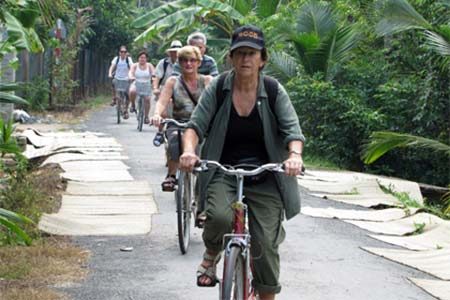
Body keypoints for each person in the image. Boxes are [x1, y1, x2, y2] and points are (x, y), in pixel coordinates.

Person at [179, 25, 305, 300]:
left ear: (263, 59)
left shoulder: (273, 90)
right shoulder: (219, 89)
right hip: (224, 170)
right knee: (221, 217)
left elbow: (292, 131)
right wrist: (189, 151)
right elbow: (195, 126)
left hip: (266, 174)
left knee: (265, 246)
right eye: (240, 53)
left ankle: (267, 295)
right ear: (231, 58)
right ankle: (212, 253)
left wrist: (294, 156)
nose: (246, 59)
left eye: (252, 53)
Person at [151, 45, 213, 191]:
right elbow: (162, 101)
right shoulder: (173, 81)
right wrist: (156, 114)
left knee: (209, 150)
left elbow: (217, 104)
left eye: (192, 60)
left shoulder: (207, 81)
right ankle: (171, 175)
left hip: (201, 125)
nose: (188, 64)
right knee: (174, 140)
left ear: (199, 62)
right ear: (179, 62)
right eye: (184, 60)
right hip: (178, 122)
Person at [152, 40, 183, 146]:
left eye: (178, 51)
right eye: (174, 51)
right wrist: (155, 88)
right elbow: (157, 77)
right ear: (170, 53)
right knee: (163, 113)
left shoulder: (186, 63)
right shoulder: (164, 63)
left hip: (181, 93)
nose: (176, 54)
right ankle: (160, 132)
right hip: (164, 91)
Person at [128, 51, 155, 124]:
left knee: (147, 99)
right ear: (138, 58)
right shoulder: (135, 65)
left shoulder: (149, 65)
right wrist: (131, 77)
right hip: (136, 82)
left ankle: (146, 116)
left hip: (146, 84)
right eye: (141, 57)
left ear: (146, 59)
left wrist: (153, 77)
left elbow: (153, 72)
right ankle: (133, 105)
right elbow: (131, 72)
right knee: (132, 91)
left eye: (144, 58)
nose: (142, 59)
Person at [108, 46, 133, 111]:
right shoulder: (116, 59)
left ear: (126, 53)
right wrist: (110, 73)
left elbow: (132, 67)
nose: (123, 53)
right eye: (122, 52)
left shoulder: (128, 59)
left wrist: (132, 75)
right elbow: (112, 67)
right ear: (119, 53)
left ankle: (126, 110)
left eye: (124, 52)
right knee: (113, 83)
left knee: (127, 95)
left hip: (126, 79)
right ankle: (114, 98)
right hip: (117, 78)